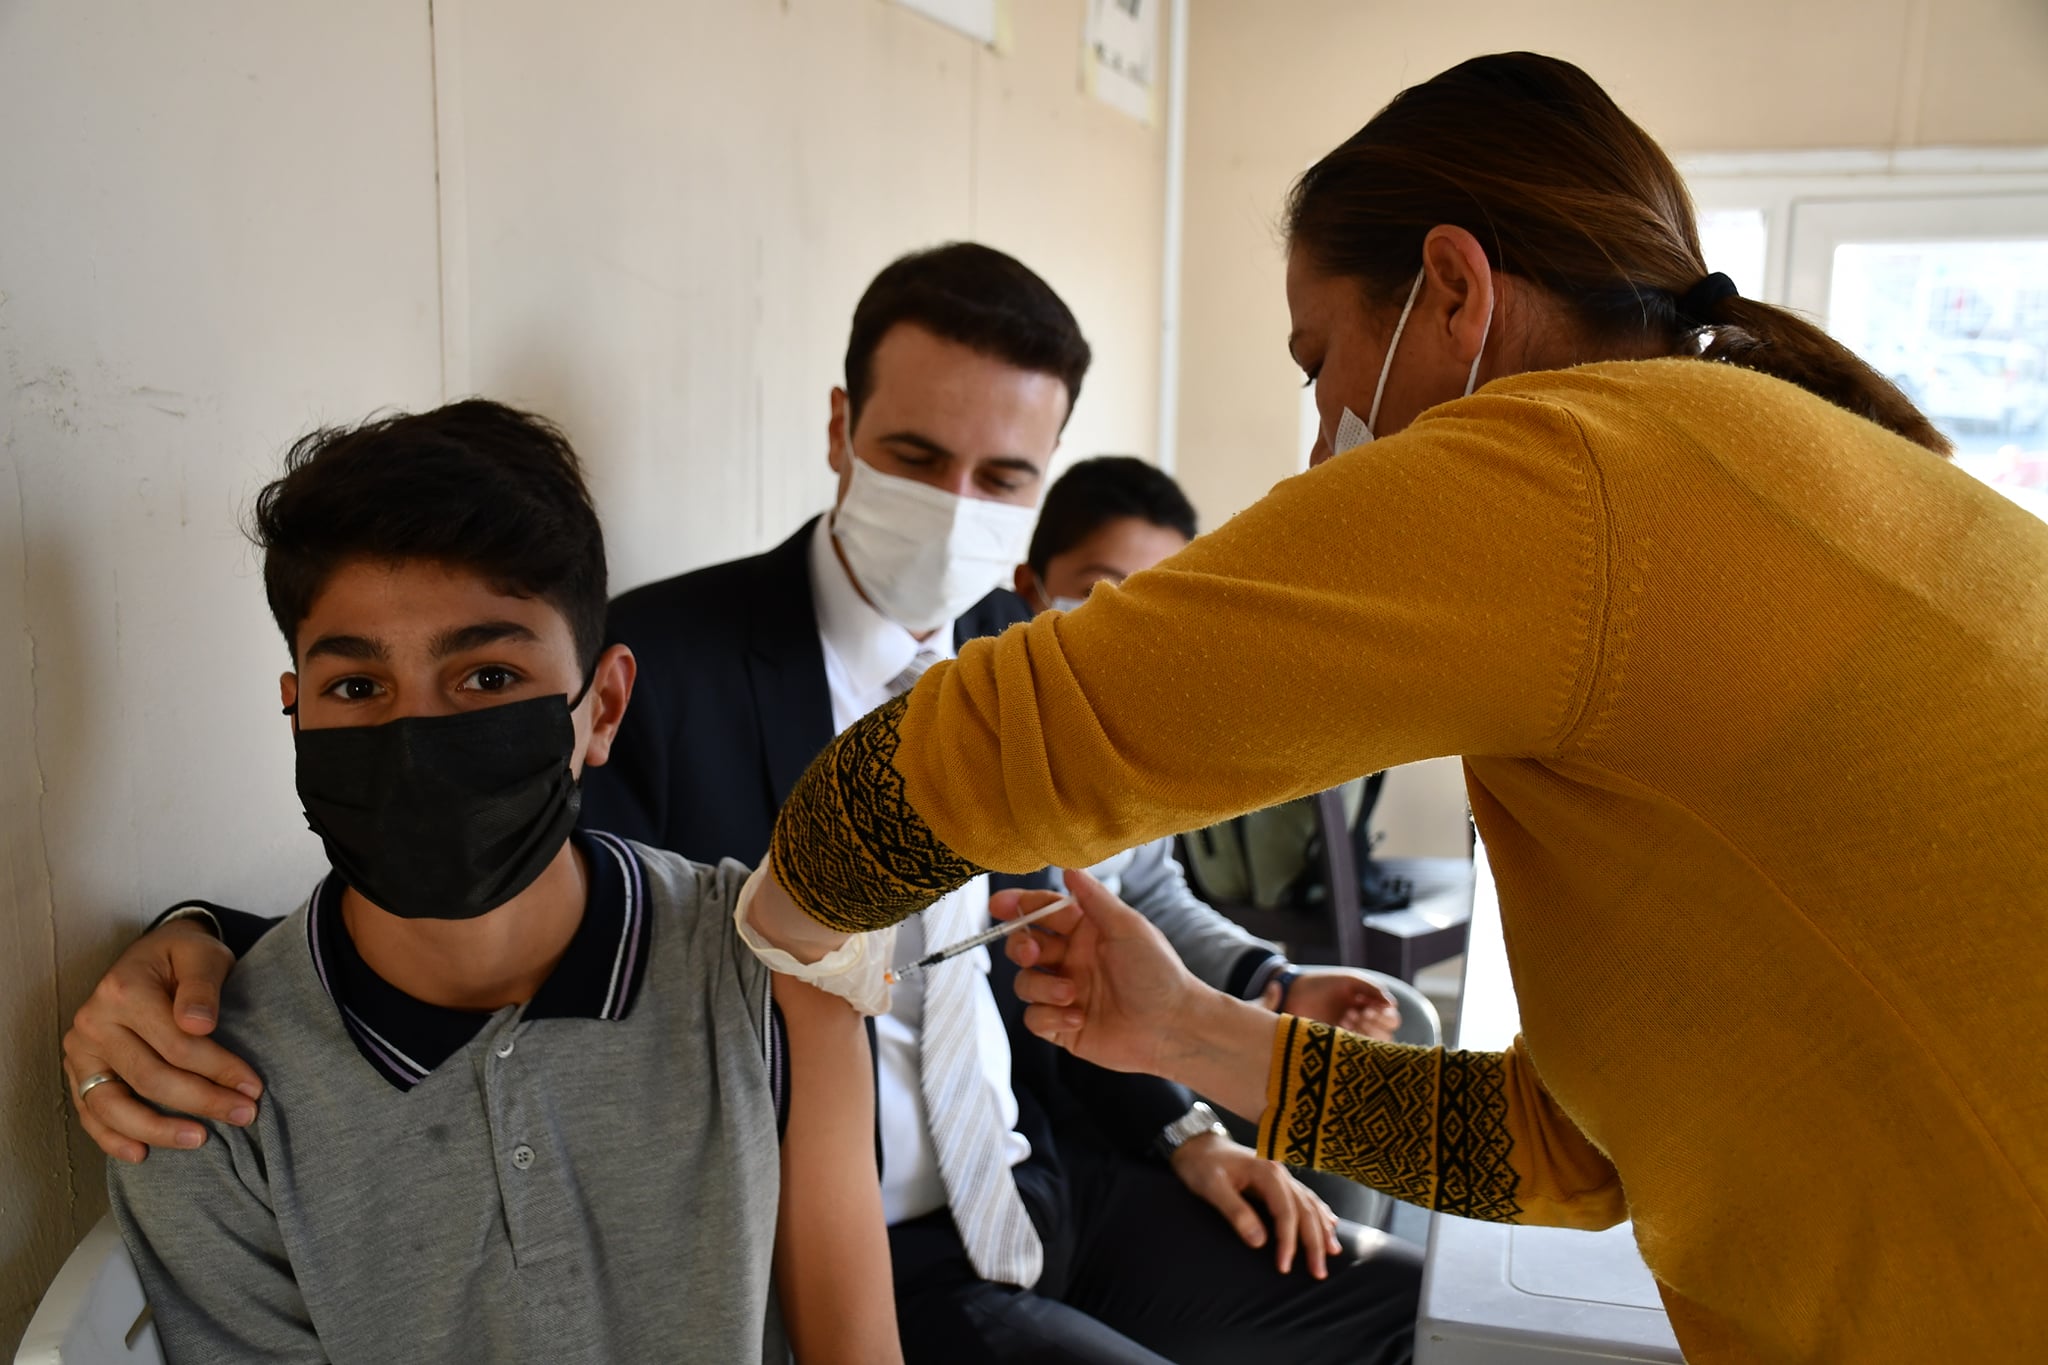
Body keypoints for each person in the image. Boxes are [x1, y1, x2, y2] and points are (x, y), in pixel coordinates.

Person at [736, 54, 2048, 1365]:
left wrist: (796, 916)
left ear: (1455, 292)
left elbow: (1005, 740)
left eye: (1319, 364)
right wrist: (1187, 1028)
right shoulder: (1805, 474)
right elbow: (1564, 1152)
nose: (1323, 444)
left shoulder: (1572, 470)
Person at [65, 247, 1421, 1365]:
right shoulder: (681, 665)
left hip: (1046, 1174)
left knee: (1416, 1316)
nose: (955, 508)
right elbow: (473, 889)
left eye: (1002, 478)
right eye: (915, 454)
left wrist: (1206, 1081)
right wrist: (206, 940)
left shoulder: (1037, 659)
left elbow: (1127, 885)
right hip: (870, 1239)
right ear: (840, 432)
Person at [100, 401, 895, 1363]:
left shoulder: (771, 968)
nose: (418, 741)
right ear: (295, 710)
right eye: (357, 687)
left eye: (488, 679)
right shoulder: (202, 1092)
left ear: (604, 706)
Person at [1019, 455, 1401, 1037]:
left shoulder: (1130, 737)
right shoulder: (982, 737)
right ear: (1031, 590)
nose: (1125, 621)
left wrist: (1279, 980)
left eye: (1154, 597)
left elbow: (1150, 894)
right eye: (1099, 590)